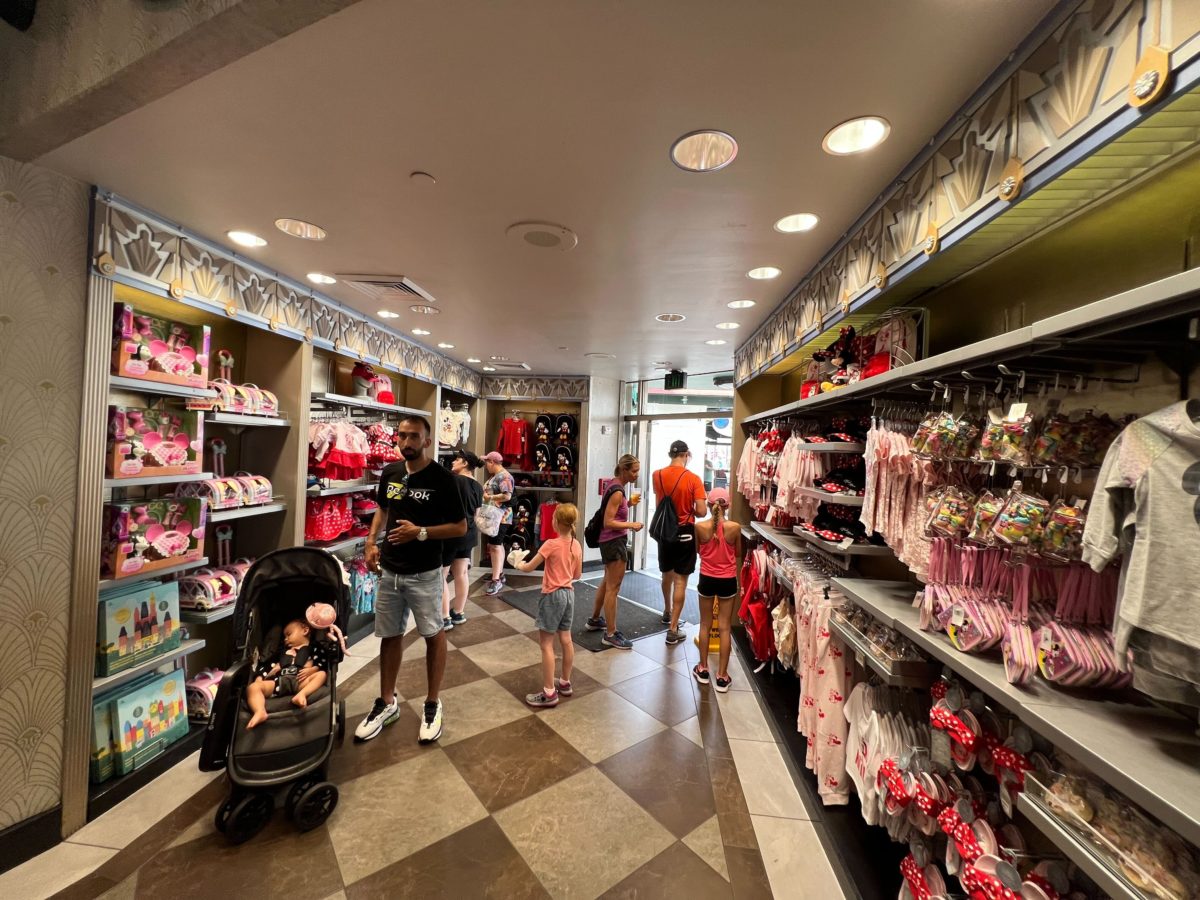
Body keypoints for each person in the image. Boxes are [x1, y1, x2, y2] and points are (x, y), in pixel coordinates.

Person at [357, 414, 467, 745]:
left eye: (414, 436)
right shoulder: (390, 472)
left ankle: (433, 703)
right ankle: (386, 702)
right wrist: (371, 540)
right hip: (390, 571)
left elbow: (460, 526)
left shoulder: (444, 479)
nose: (406, 442)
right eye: (402, 435)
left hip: (425, 573)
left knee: (433, 634)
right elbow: (383, 509)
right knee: (390, 635)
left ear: (427, 441)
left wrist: (420, 532)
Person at [508, 503, 582, 707]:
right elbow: (577, 575)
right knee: (566, 639)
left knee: (546, 644)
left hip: (552, 596)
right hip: (569, 595)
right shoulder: (576, 544)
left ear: (556, 522)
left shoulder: (550, 544)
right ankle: (565, 682)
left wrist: (518, 563)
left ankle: (549, 692)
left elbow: (529, 567)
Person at [652, 440, 707, 644]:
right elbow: (701, 511)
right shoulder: (693, 479)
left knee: (666, 573)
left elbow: (661, 500)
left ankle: (667, 611)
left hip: (665, 530)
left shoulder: (657, 475)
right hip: (684, 531)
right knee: (681, 581)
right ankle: (673, 628)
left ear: (671, 454)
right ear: (686, 455)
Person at [585, 454, 642, 650]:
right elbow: (608, 522)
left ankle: (594, 620)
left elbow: (613, 512)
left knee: (607, 582)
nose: (637, 474)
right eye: (634, 471)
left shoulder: (613, 485)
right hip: (614, 542)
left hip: (609, 542)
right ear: (624, 470)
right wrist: (631, 524)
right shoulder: (618, 492)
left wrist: (629, 504)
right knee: (613, 588)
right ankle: (610, 634)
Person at [691, 488, 742, 692]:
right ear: (727, 505)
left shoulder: (699, 527)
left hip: (706, 578)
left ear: (709, 504)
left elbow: (698, 550)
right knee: (724, 627)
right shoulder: (735, 528)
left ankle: (703, 669)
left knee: (705, 624)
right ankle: (722, 676)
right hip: (727, 580)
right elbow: (738, 553)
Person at [245, 619, 331, 729]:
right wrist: (259, 678)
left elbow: (322, 662)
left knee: (322, 674)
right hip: (279, 682)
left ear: (305, 630)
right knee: (253, 688)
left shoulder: (315, 649)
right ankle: (260, 711)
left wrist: (313, 669)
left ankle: (301, 695)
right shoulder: (281, 653)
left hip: (301, 682)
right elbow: (267, 666)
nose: (285, 639)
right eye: (284, 637)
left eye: (289, 634)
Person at [442, 450, 483, 630]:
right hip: (469, 532)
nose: (453, 462)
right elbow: (477, 514)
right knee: (461, 573)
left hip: (451, 532)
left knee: (441, 575)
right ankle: (458, 612)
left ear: (465, 463)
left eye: (457, 459)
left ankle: (444, 617)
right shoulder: (478, 486)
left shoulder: (453, 481)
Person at [481, 451, 515, 595]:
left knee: (495, 546)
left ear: (492, 462)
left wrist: (489, 498)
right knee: (496, 545)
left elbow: (507, 496)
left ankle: (496, 580)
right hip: (496, 516)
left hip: (501, 517)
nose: (486, 466)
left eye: (487, 463)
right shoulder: (497, 476)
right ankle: (498, 574)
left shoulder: (504, 476)